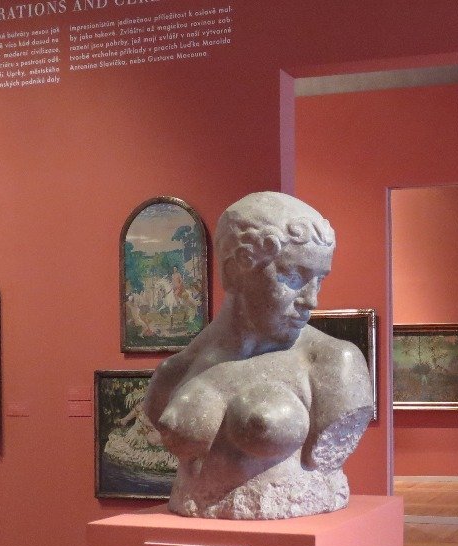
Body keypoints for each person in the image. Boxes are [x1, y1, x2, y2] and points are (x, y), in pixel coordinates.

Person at [144, 192, 373, 519]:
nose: (311, 300)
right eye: (292, 276)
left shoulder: (333, 363)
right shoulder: (175, 371)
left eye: (319, 279)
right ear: (234, 271)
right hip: (198, 528)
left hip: (290, 525)